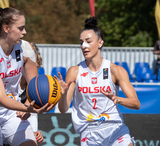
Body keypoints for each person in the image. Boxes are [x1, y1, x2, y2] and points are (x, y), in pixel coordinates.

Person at [0, 7, 53, 146]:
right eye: (21, 28)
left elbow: (32, 76)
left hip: (10, 113)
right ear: (6, 28)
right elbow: (0, 97)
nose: (24, 32)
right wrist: (27, 108)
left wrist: (49, 92)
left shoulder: (21, 48)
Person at [58, 17, 140, 146]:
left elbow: (136, 103)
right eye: (81, 42)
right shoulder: (74, 71)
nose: (84, 46)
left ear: (100, 43)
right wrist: (63, 94)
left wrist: (117, 99)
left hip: (115, 128)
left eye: (88, 41)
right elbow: (63, 109)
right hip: (89, 131)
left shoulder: (115, 70)